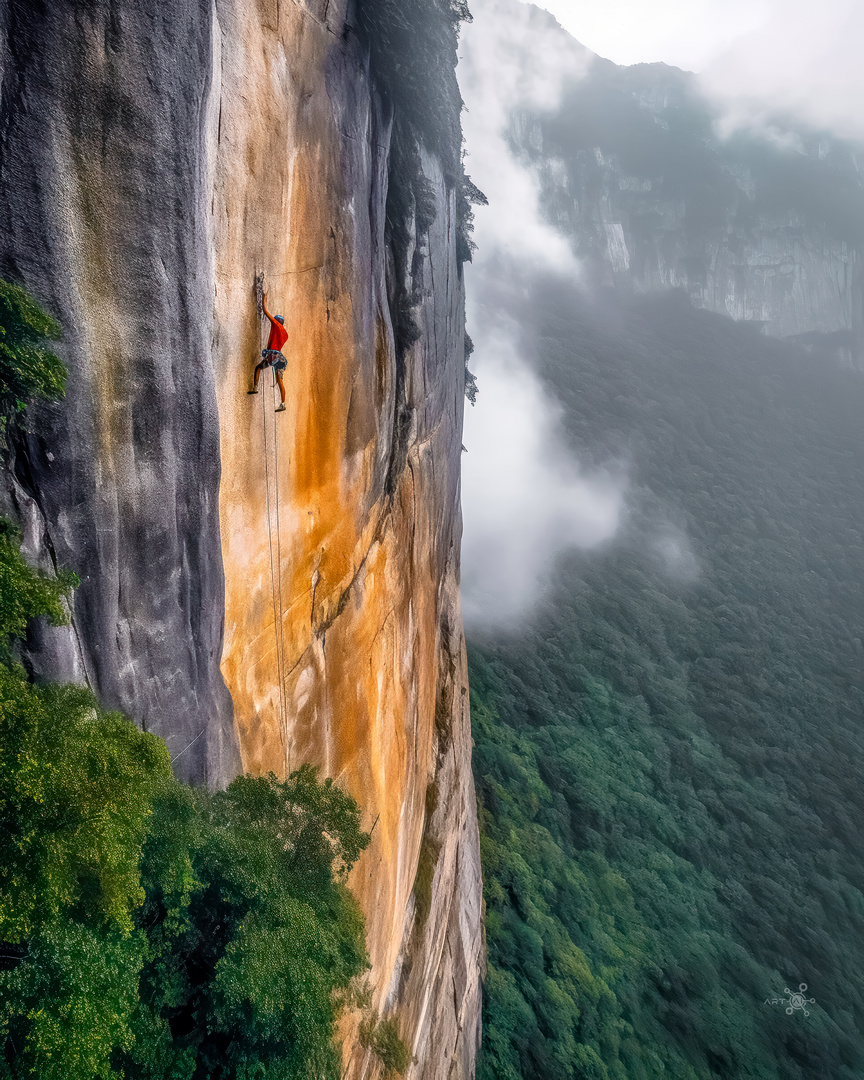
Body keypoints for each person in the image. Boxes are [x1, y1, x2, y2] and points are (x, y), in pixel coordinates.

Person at [248, 293, 289, 411]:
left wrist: (264, 297)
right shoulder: (285, 334)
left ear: (277, 321)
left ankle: (255, 388)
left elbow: (266, 311)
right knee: (279, 379)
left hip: (273, 355)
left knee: (258, 368)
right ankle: (283, 404)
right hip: (280, 358)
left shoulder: (276, 325)